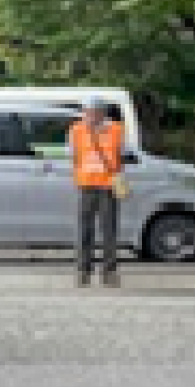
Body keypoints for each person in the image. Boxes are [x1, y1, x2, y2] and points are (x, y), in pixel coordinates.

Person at [68, 96, 125, 288]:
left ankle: (109, 272)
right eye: (87, 112)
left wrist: (117, 177)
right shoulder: (76, 130)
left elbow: (121, 155)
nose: (89, 115)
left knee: (109, 231)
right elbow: (73, 156)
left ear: (102, 113)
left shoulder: (116, 129)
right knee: (84, 230)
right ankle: (83, 272)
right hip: (86, 185)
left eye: (93, 112)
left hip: (108, 186)